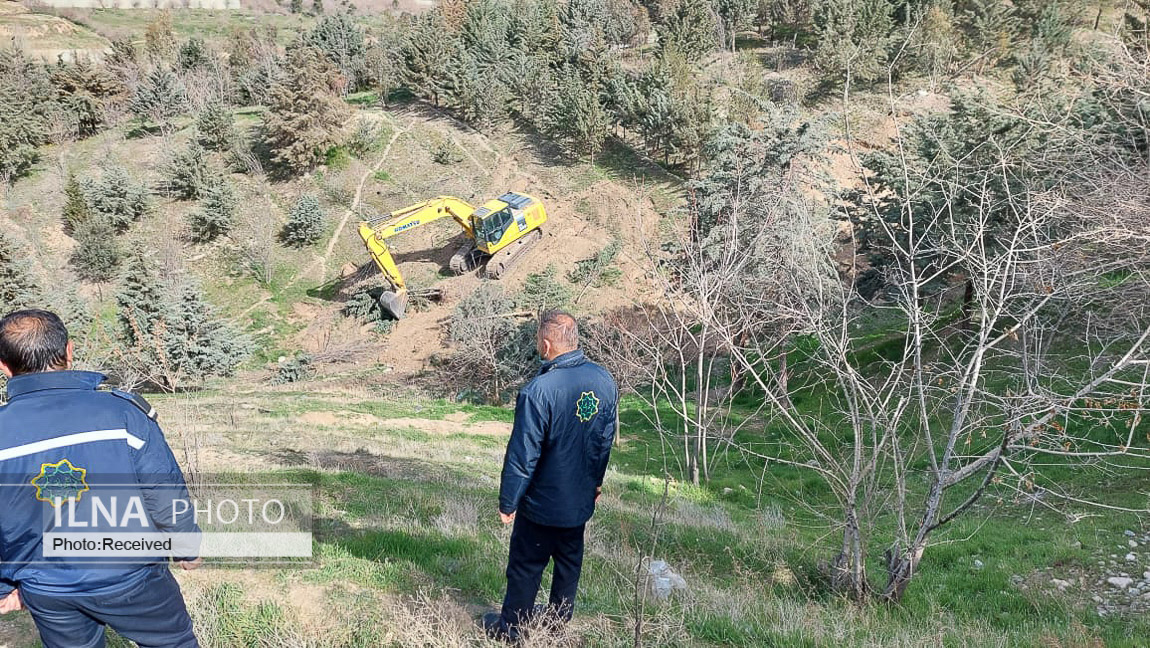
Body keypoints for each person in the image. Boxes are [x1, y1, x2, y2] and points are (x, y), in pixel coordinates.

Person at [0, 309, 201, 648]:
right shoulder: (122, 413)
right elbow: (163, 490)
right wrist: (186, 547)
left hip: (48, 589)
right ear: (69, 351)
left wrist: (5, 587)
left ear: (4, 367)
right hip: (133, 576)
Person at [483, 310, 618, 641]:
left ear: (546, 344)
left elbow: (523, 454)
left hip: (541, 505)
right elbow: (604, 441)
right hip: (578, 502)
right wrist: (596, 483)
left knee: (526, 566)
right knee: (569, 564)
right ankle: (557, 625)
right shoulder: (604, 381)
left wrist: (508, 501)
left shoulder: (538, 391)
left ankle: (512, 630)